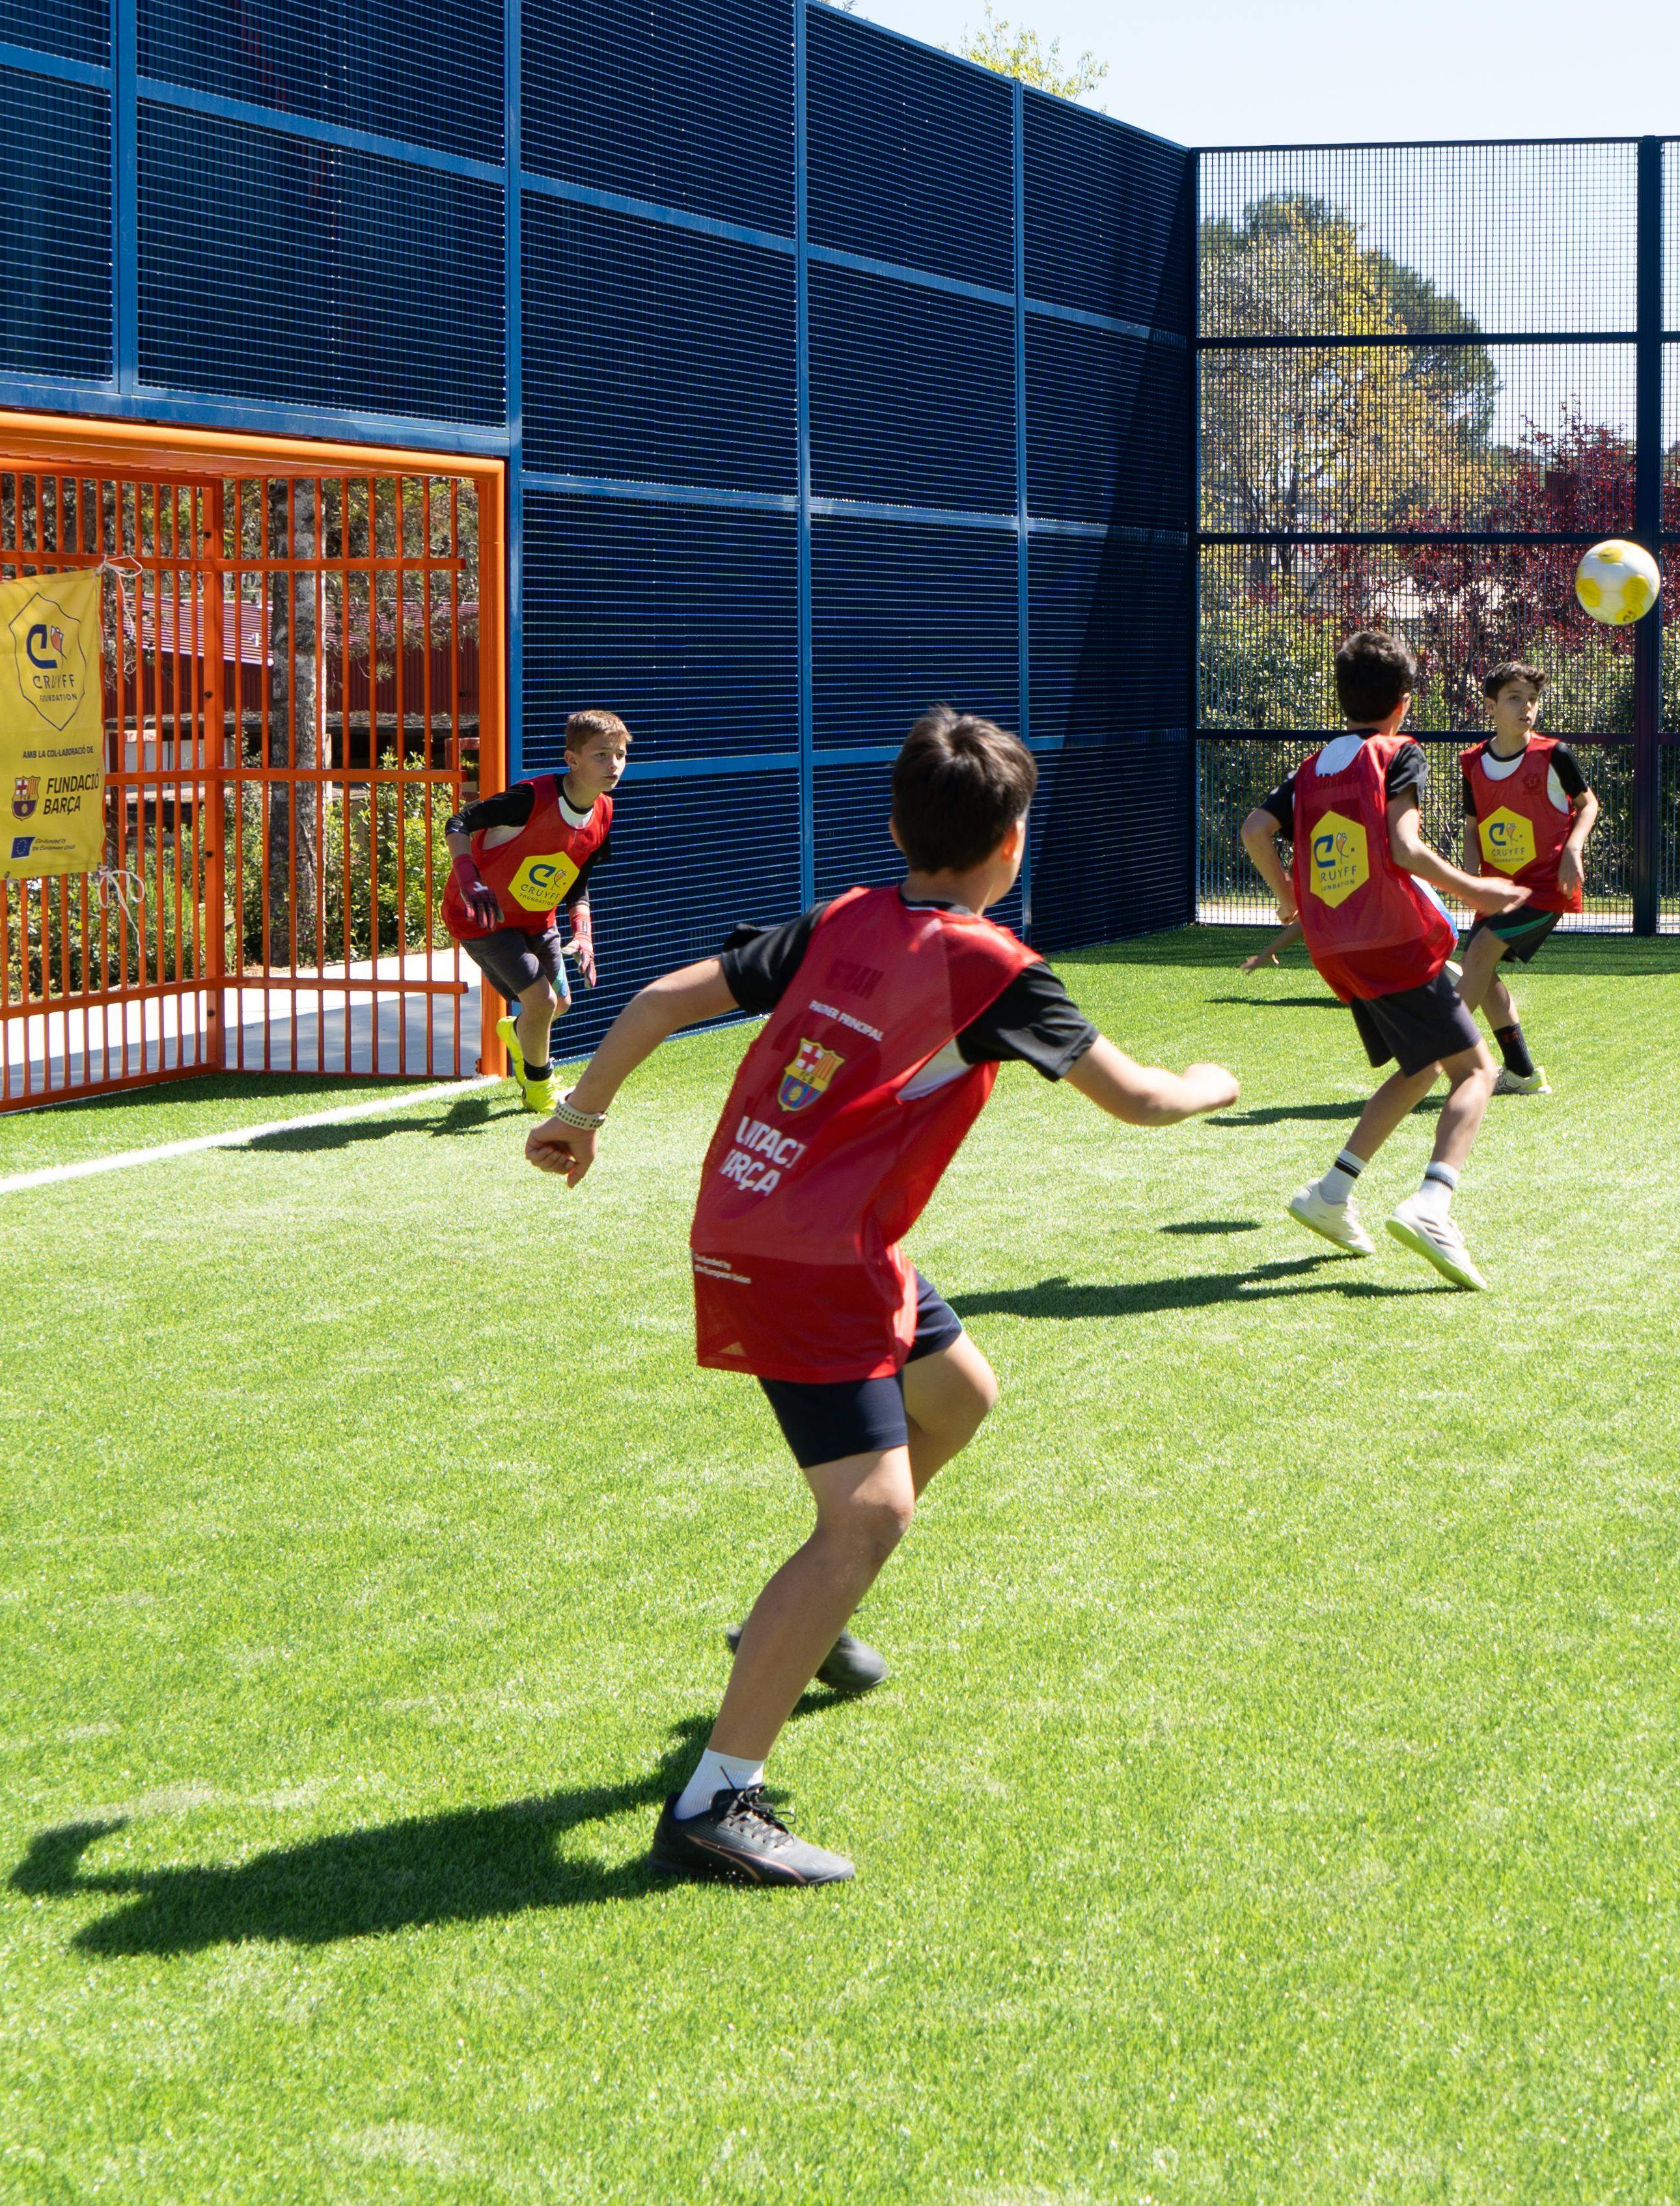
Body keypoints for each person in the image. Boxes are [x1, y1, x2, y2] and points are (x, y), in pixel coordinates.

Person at [527, 710, 1239, 1888]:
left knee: (957, 1395)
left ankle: (791, 1630)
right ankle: (715, 1801)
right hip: (814, 1256)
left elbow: (652, 999)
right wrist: (1210, 1082)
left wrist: (579, 1115)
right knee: (867, 1515)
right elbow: (1142, 1101)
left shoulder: (847, 916)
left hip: (780, 1221)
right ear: (1012, 843)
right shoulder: (994, 970)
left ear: (900, 826)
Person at [1236, 626, 1510, 1285]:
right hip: (1392, 939)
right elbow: (1406, 848)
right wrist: (1476, 888)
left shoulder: (1311, 768)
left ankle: (1330, 1194)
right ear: (1405, 703)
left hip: (1338, 950)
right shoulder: (1398, 754)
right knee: (1476, 1073)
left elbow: (1254, 830)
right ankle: (1433, 1204)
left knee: (1419, 1067)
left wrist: (1289, 899)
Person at [444, 708, 628, 1112]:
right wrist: (468, 878)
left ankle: (517, 1032)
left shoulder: (605, 813)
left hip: (537, 917)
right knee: (541, 1002)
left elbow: (577, 878)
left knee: (558, 1006)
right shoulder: (531, 797)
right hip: (482, 917)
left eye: (619, 754)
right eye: (601, 755)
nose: (613, 764)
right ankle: (538, 1088)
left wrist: (583, 932)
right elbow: (458, 822)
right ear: (572, 759)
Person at [1452, 661, 1598, 1092]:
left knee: (1479, 956)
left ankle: (1436, 1052)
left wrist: (1573, 849)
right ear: (1490, 706)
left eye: (1532, 699)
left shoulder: (1555, 755)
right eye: (1515, 698)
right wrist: (1468, 877)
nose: (1527, 707)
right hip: (1496, 890)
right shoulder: (1473, 762)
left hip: (1545, 887)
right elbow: (1472, 826)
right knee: (1485, 972)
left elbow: (1588, 805)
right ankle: (1521, 1073)